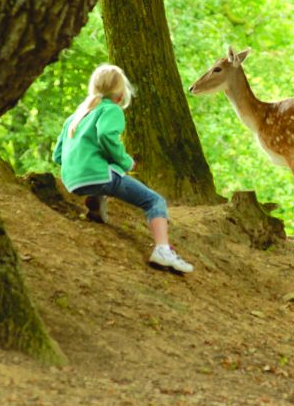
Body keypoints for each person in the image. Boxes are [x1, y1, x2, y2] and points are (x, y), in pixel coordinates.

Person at [53, 64, 194, 274]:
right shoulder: (111, 110)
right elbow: (106, 136)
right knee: (154, 201)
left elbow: (57, 155)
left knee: (104, 176)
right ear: (120, 94)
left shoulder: (75, 116)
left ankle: (95, 205)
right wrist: (125, 162)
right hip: (98, 175)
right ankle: (163, 250)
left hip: (73, 180)